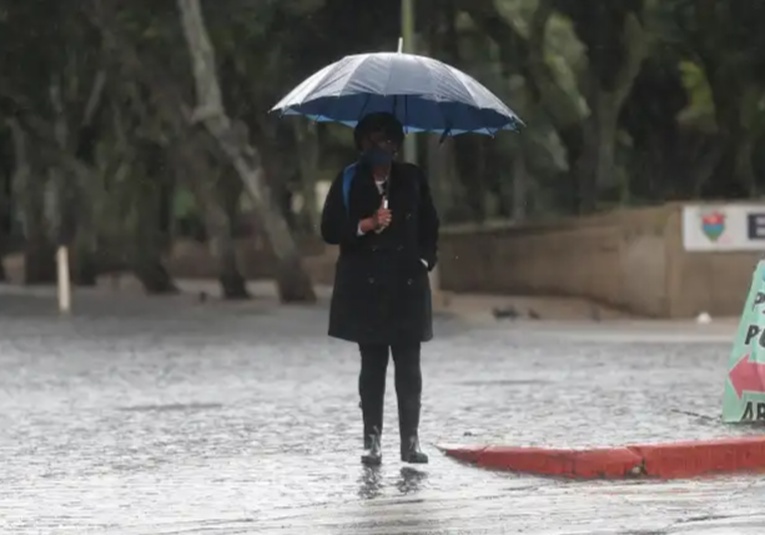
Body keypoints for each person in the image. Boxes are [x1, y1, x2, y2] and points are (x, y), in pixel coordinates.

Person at [320, 112, 440, 465]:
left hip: (406, 287)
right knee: (372, 367)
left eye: (387, 142)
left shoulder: (413, 179)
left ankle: (411, 441)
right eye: (373, 142)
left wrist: (424, 261)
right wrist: (365, 224)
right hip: (365, 288)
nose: (381, 150)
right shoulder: (348, 179)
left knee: (409, 367)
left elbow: (430, 226)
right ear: (361, 145)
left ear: (397, 146)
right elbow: (328, 229)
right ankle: (372, 440)